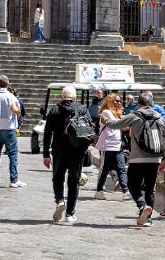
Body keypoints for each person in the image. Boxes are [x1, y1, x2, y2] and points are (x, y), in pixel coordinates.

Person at [110, 95, 165, 227]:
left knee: (132, 185)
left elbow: (117, 124)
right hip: (155, 158)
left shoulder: (135, 115)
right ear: (152, 104)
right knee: (150, 188)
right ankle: (148, 219)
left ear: (139, 104)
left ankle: (142, 205)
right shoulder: (160, 117)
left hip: (137, 158)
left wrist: (105, 121)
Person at [41, 86, 93, 224]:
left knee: (58, 177)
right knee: (73, 180)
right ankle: (70, 213)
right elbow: (89, 128)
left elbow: (47, 134)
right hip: (78, 149)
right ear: (75, 97)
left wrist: (46, 154)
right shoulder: (82, 108)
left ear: (62, 97)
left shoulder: (54, 110)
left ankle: (59, 200)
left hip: (59, 149)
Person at [92, 93, 126, 198]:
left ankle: (126, 190)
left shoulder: (117, 113)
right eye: (116, 100)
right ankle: (99, 190)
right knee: (105, 168)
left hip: (117, 144)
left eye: (120, 101)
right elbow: (117, 124)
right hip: (108, 144)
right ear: (110, 101)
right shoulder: (106, 112)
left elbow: (122, 126)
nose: (119, 103)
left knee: (121, 167)